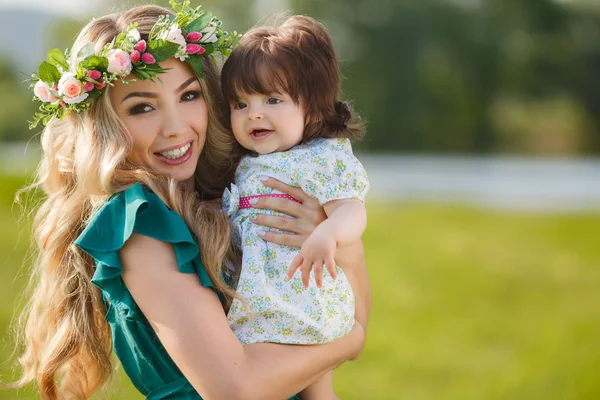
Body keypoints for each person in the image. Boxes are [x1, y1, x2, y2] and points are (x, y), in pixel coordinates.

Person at [5, 2, 371, 399]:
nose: (176, 128)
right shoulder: (139, 223)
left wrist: (332, 233)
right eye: (142, 107)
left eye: (189, 95)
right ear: (104, 126)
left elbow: (351, 306)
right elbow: (236, 390)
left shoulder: (232, 195)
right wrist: (350, 341)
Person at [220, 14, 369, 399]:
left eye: (272, 100)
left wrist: (328, 233)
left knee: (316, 390)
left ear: (313, 108)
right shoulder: (244, 162)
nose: (254, 113)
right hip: (260, 301)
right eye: (240, 103)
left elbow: (353, 210)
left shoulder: (320, 158)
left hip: (304, 292)